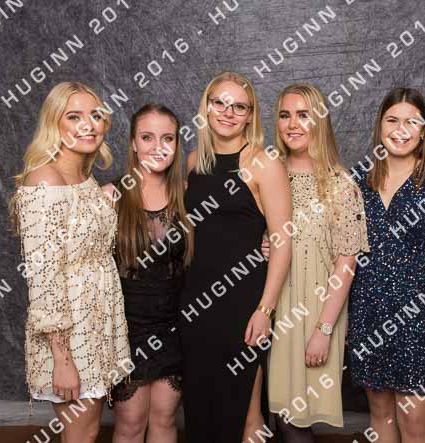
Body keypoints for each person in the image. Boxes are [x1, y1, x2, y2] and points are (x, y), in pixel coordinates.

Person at [9, 81, 130, 443]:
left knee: (87, 432)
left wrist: (104, 201)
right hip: (69, 335)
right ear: (54, 123)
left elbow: (85, 242)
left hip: (98, 323)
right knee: (82, 435)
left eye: (95, 116)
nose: (88, 125)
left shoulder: (84, 176)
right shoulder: (45, 178)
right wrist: (62, 359)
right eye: (74, 117)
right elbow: (44, 277)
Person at [179, 71, 292, 442]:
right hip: (196, 301)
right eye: (220, 103)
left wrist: (265, 309)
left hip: (242, 303)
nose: (228, 113)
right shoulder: (194, 161)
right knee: (201, 408)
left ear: (249, 116)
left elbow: (282, 242)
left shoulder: (264, 163)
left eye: (239, 107)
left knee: (246, 414)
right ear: (207, 108)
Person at [348, 88, 425, 443]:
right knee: (380, 414)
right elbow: (337, 242)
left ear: (423, 131)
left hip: (419, 314)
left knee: (414, 422)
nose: (401, 130)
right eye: (392, 120)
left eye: (411, 122)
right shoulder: (360, 179)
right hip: (368, 311)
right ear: (380, 126)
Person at [266, 83, 369, 442]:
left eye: (303, 115)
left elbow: (346, 264)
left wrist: (324, 330)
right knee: (274, 415)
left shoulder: (340, 185)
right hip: (270, 306)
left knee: (294, 419)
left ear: (320, 121)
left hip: (314, 311)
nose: (292, 124)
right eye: (285, 115)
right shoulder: (269, 174)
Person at [102, 104, 193, 443]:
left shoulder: (188, 194)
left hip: (174, 324)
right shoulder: (111, 196)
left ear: (177, 144)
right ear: (133, 143)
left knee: (165, 418)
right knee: (131, 423)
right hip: (127, 327)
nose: (158, 147)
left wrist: (264, 243)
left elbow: (227, 241)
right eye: (147, 137)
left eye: (167, 138)